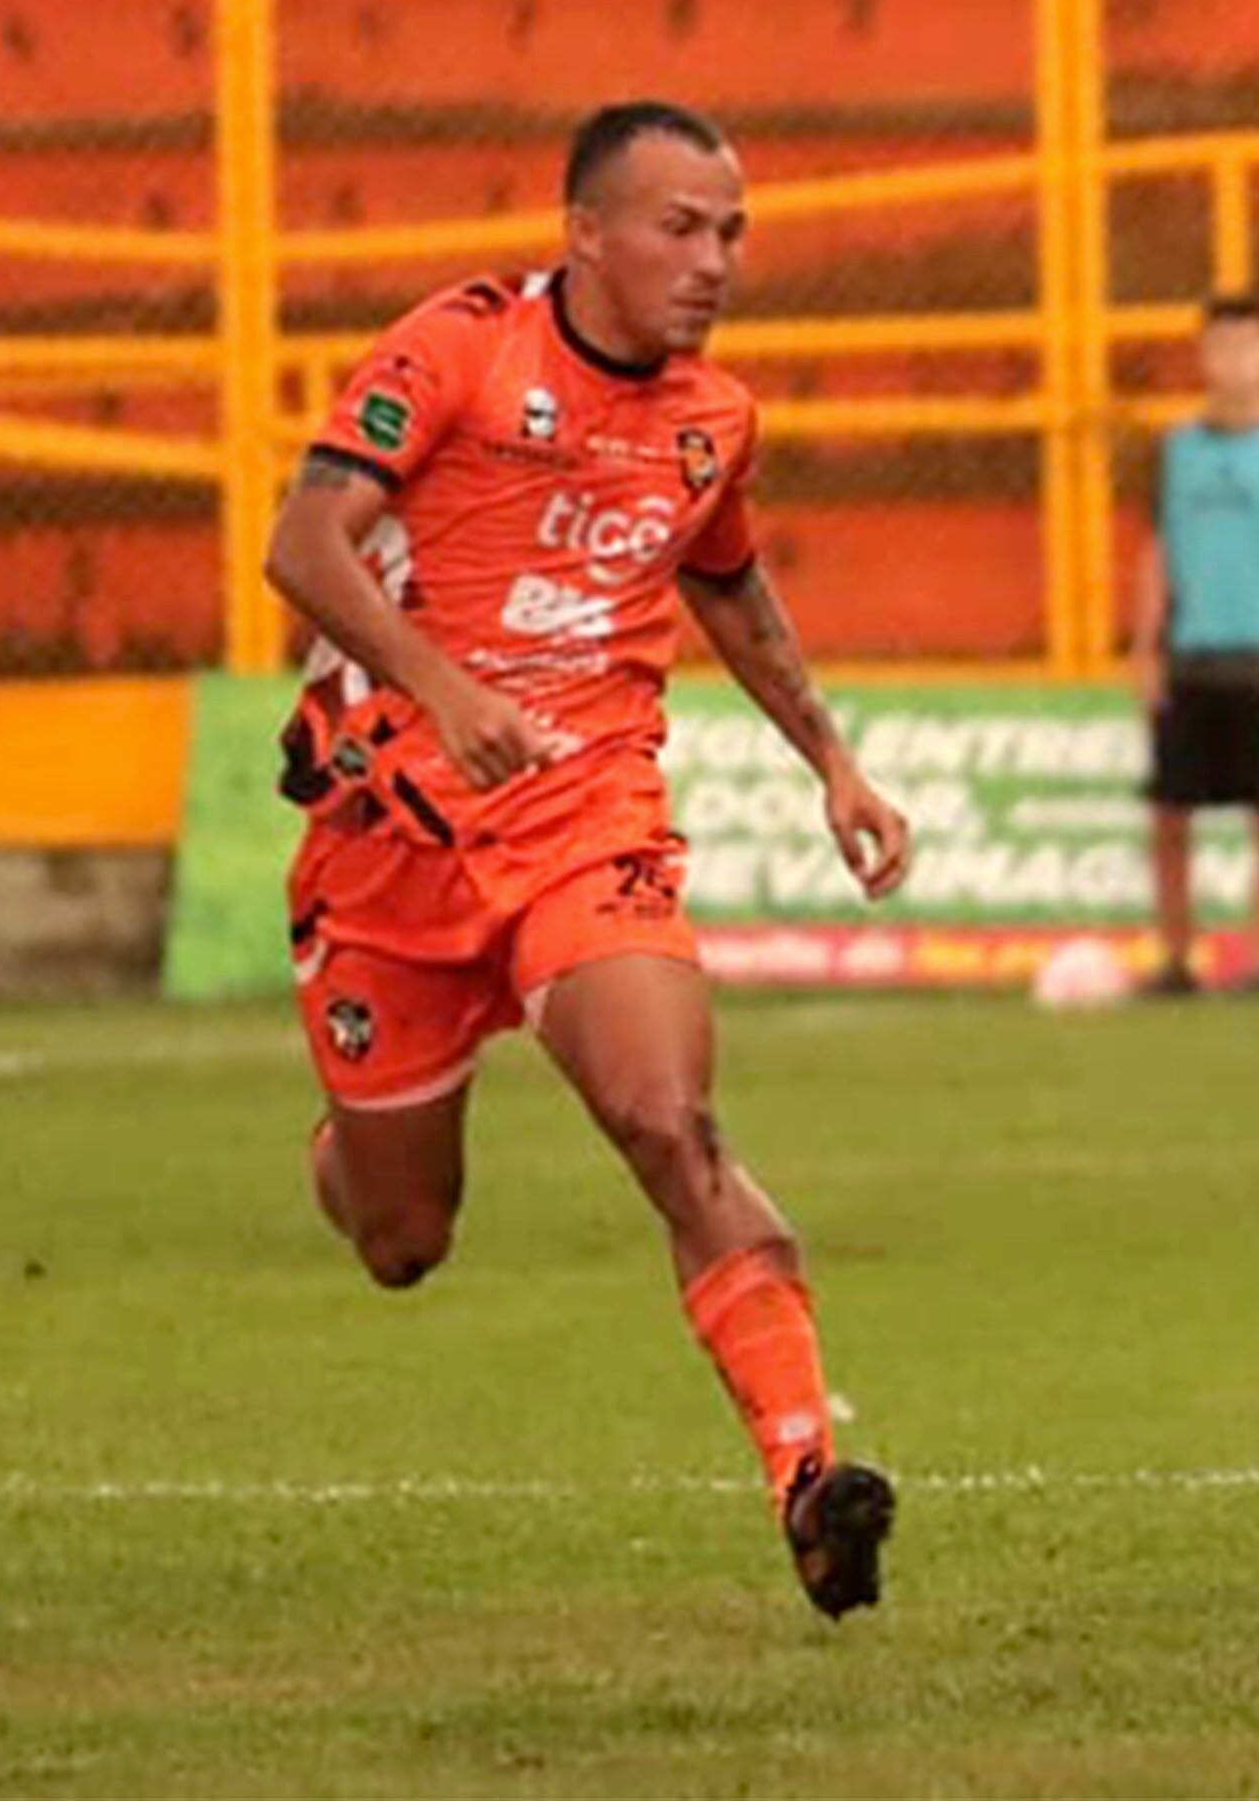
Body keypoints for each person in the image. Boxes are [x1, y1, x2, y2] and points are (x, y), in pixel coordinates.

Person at [261, 100, 911, 1619]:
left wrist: (833, 758)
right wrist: (441, 684)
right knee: (403, 1238)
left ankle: (811, 1472)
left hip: (584, 821)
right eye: (680, 227)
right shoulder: (461, 349)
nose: (713, 261)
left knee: (670, 1119)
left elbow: (732, 589)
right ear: (586, 233)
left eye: (732, 232)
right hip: (395, 842)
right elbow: (305, 545)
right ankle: (350, 1149)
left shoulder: (712, 418)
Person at [1131, 292, 1259, 995]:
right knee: (1169, 812)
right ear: (1202, 356)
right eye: (1221, 346)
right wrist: (1145, 649)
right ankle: (1177, 958)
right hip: (1192, 653)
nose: (1234, 362)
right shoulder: (1176, 450)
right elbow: (1156, 550)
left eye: (1248, 346)